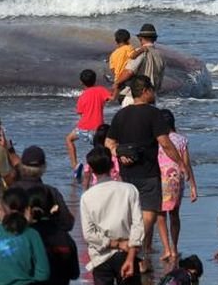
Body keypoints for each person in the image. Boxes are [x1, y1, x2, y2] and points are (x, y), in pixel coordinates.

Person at [79, 147, 154, 285]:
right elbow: (137, 226)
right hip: (125, 254)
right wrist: (129, 252)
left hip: (101, 257)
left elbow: (89, 234)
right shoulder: (128, 190)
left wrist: (112, 243)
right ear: (113, 166)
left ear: (91, 169)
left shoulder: (87, 196)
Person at [105, 75, 183, 260]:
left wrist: (120, 154)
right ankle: (134, 247)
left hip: (126, 174)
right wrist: (181, 163)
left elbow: (108, 142)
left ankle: (140, 258)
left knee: (133, 213)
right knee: (149, 214)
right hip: (148, 173)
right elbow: (165, 143)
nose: (154, 93)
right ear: (146, 91)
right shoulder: (153, 113)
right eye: (152, 90)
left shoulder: (120, 114)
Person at [155, 109, 198, 261]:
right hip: (176, 179)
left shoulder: (157, 140)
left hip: (160, 178)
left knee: (160, 215)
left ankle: (167, 249)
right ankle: (174, 247)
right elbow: (186, 164)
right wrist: (193, 185)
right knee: (174, 215)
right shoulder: (181, 140)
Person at [10, 145, 74, 231]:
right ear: (44, 167)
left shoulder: (12, 190)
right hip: (46, 238)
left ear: (21, 166)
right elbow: (67, 223)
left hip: (17, 238)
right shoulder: (51, 192)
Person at [67, 69, 110, 178]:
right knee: (100, 150)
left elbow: (81, 115)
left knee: (69, 139)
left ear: (81, 82)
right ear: (95, 80)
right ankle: (97, 172)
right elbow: (111, 98)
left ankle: (75, 166)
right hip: (97, 129)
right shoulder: (101, 90)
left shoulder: (82, 97)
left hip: (83, 128)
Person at [116, 24, 165, 106]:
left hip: (136, 97)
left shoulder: (141, 51)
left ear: (140, 38)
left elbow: (129, 71)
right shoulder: (160, 55)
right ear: (155, 39)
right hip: (151, 96)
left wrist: (117, 83)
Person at [82, 124, 119, 189]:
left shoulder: (93, 156)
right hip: (114, 187)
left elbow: (86, 177)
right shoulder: (116, 157)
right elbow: (119, 175)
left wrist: (85, 193)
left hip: (96, 187)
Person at [108, 28, 134, 102]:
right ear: (128, 39)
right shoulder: (129, 48)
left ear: (116, 41)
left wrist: (116, 72)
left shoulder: (113, 54)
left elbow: (112, 68)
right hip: (126, 74)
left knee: (117, 86)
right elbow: (132, 56)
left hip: (117, 75)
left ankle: (113, 97)